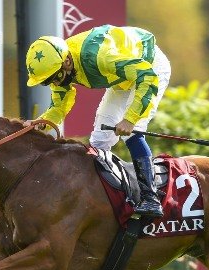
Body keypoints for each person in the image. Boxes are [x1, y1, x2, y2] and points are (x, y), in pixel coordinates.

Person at [25, 25, 171, 218]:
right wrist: (43, 121)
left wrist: (130, 119)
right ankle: (101, 197)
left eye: (54, 78)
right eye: (47, 82)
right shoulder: (59, 65)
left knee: (133, 133)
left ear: (67, 61)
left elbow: (147, 77)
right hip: (122, 76)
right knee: (99, 141)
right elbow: (59, 105)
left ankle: (151, 199)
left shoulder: (100, 57)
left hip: (149, 68)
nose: (54, 83)